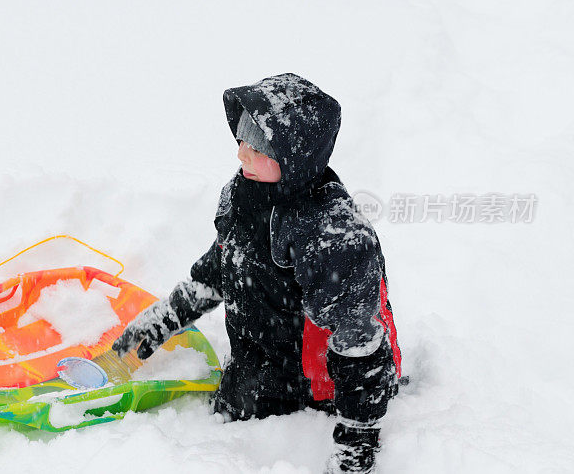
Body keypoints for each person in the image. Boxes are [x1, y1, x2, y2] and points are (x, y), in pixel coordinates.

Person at [112, 73, 402, 473]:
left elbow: (359, 339)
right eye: (242, 139)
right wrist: (172, 314)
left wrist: (359, 436)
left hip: (314, 390)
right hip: (260, 363)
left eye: (258, 145)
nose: (241, 155)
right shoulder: (246, 193)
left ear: (294, 155)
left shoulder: (331, 235)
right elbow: (225, 263)